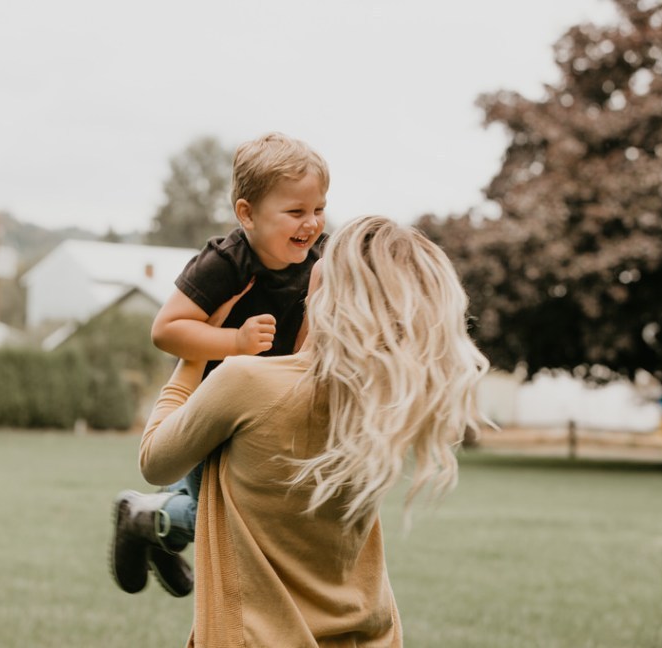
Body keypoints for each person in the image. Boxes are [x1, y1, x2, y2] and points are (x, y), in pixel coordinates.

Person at [138, 216, 489, 646]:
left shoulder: (246, 382)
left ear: (334, 290)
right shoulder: (381, 405)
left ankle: (151, 519)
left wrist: (200, 349)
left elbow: (155, 462)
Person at [110, 132, 330, 598]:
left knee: (240, 510)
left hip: (267, 408)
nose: (311, 224)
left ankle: (158, 528)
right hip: (214, 405)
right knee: (221, 514)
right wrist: (234, 340)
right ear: (246, 214)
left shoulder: (320, 260)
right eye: (296, 212)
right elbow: (166, 330)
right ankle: (144, 518)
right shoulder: (227, 262)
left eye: (318, 209)